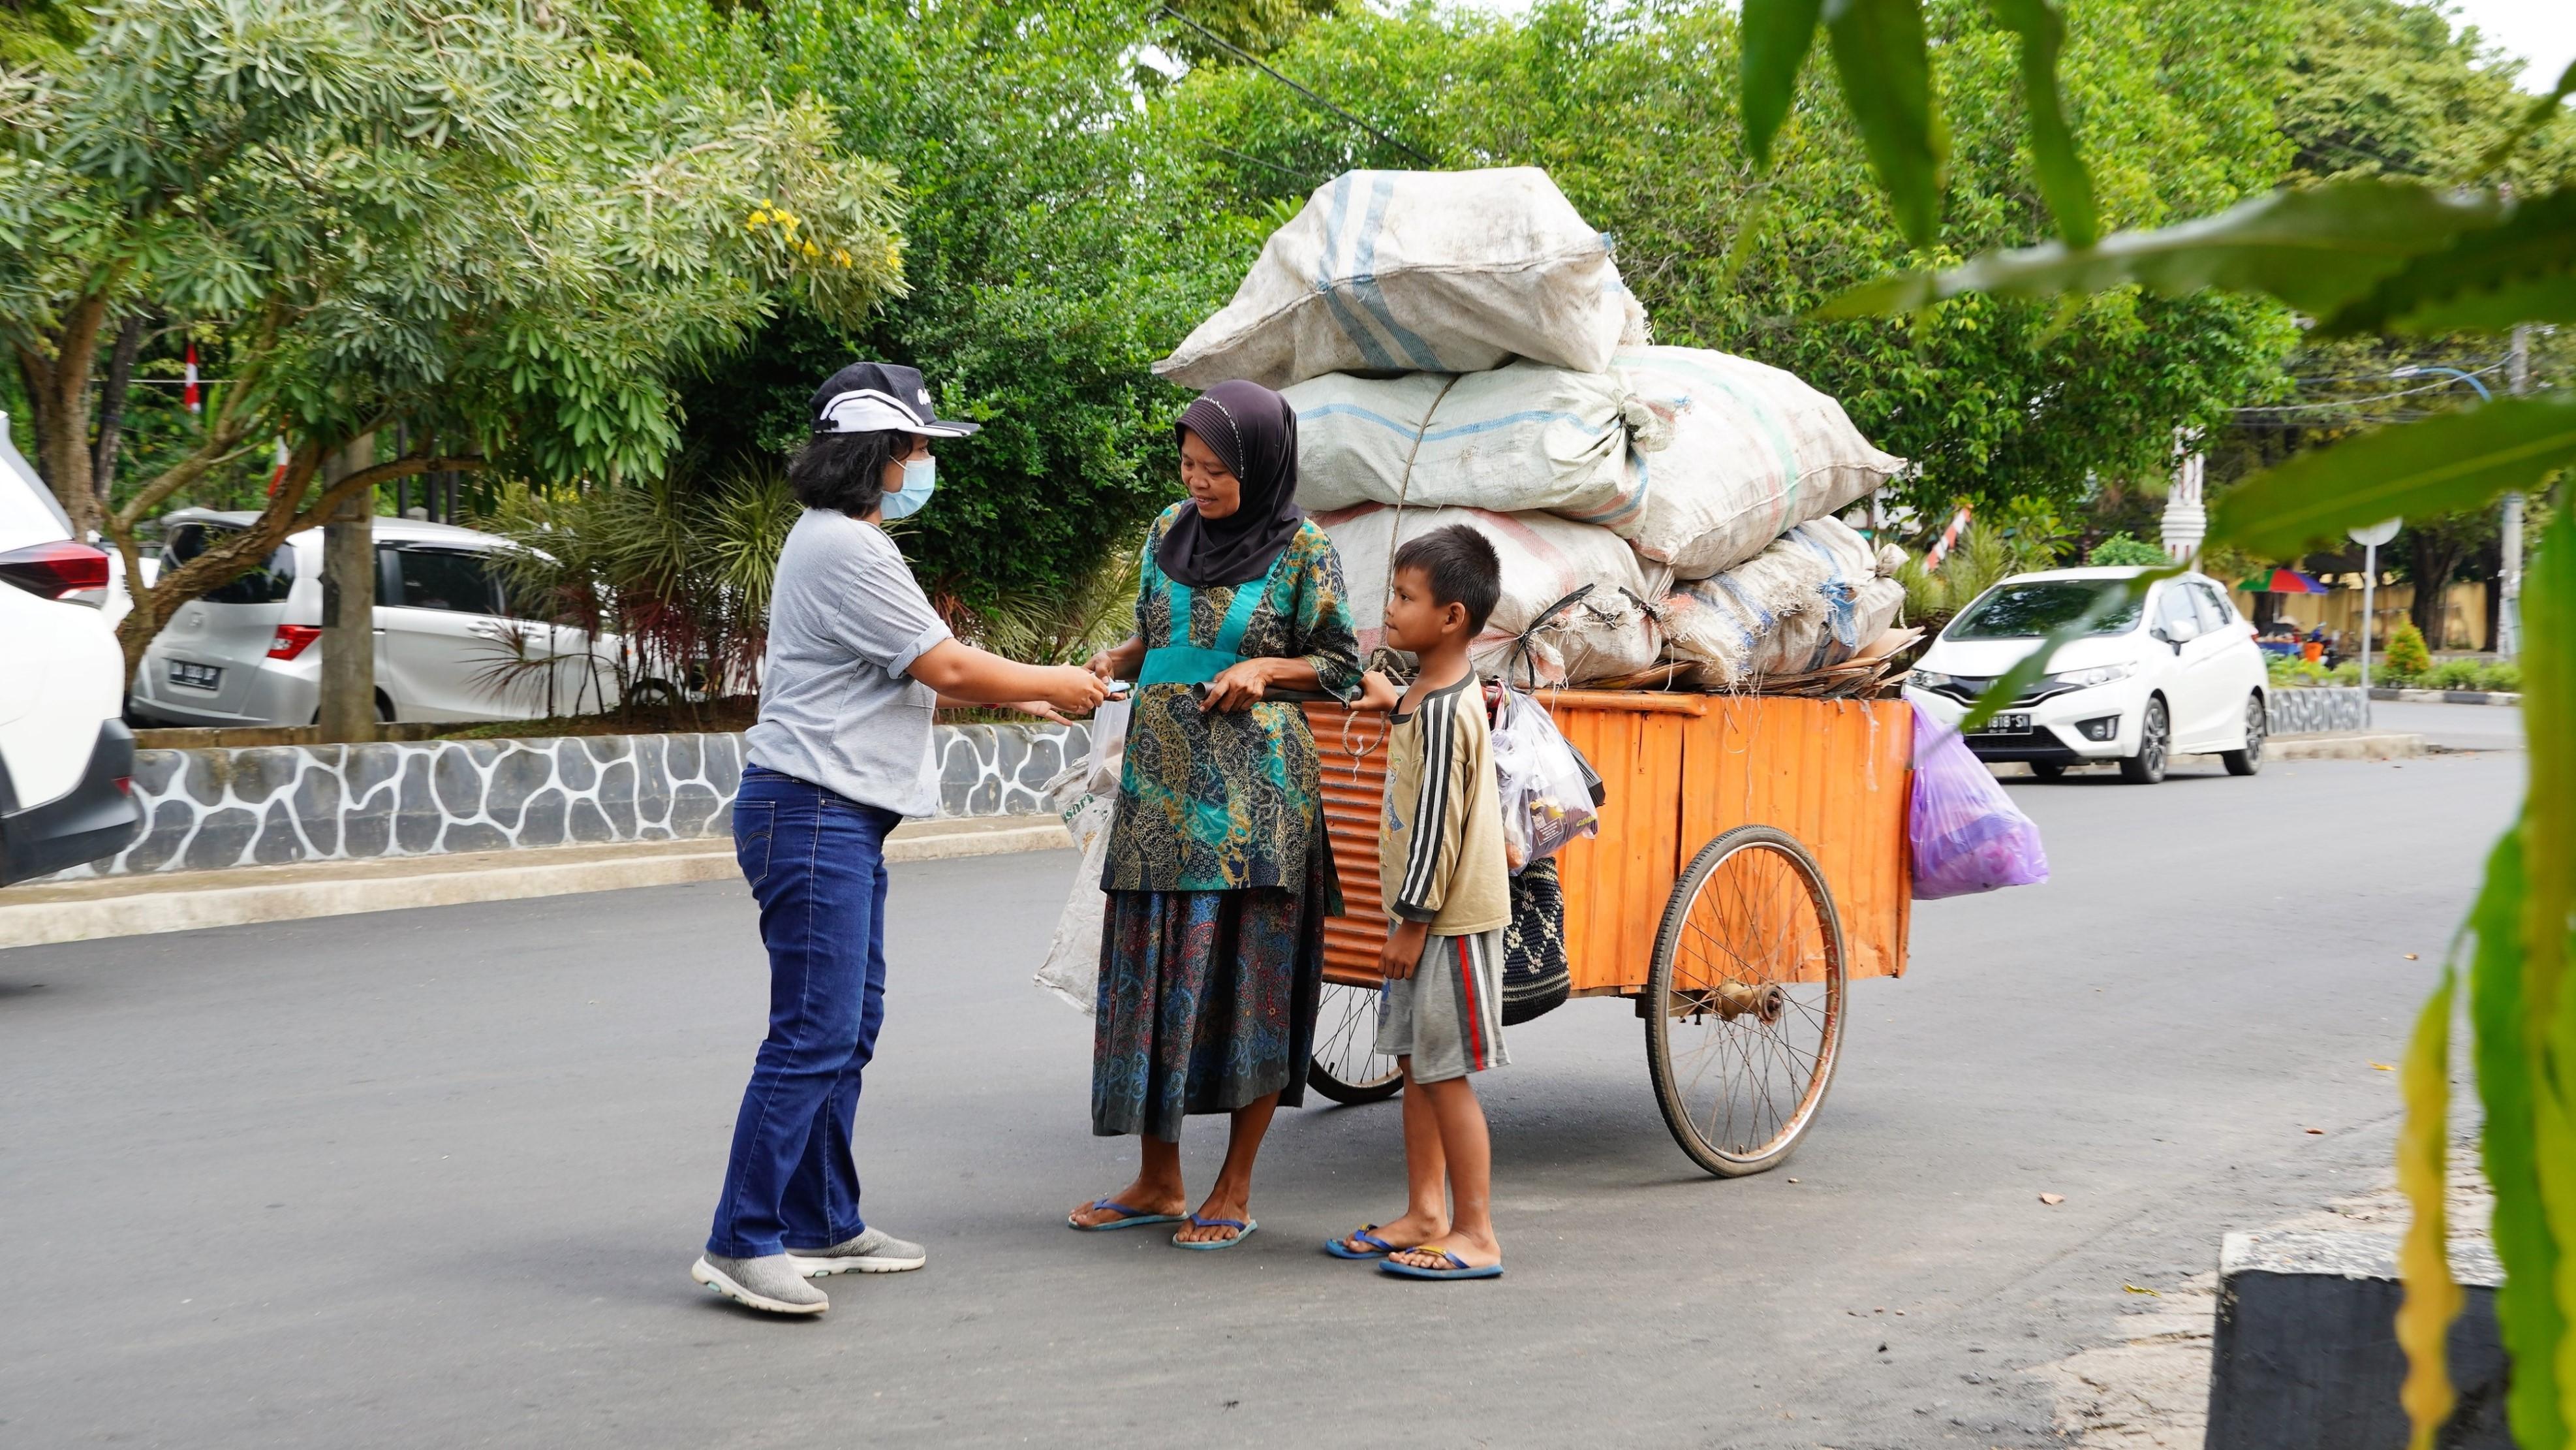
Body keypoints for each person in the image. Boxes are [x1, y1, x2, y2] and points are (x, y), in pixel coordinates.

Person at [694, 361, 1108, 1317]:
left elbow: (910, 672)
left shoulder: (847, 541)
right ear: (876, 454)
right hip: (810, 813)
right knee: (812, 1032)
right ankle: (741, 1237)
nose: (925, 462)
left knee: (848, 1025)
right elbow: (948, 662)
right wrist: (1054, 679)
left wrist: (1032, 694)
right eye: (917, 447)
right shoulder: (845, 548)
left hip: (832, 815)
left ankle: (821, 1218)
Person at [1068, 379, 1363, 1248]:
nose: (1196, 482)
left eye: (1214, 470)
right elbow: (1159, 627)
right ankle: (1158, 1179)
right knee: (1148, 980)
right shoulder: (1166, 529)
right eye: (1187, 464)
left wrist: (1267, 671)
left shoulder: (1303, 545)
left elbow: (1343, 667)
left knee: (1247, 989)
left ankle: (1232, 1184)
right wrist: (1125, 654)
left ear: (1259, 466)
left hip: (1253, 809)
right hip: (1158, 795)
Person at [1331, 524, 1512, 1281]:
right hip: (1427, 919)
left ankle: (1475, 1232)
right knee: (1415, 1067)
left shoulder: (1442, 712)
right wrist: (1387, 700)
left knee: (1444, 1074)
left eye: (1405, 598)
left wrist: (1408, 924)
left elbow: (1435, 824)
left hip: (1446, 924)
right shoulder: (1428, 695)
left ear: (1451, 619)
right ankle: (1425, 1212)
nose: (1391, 609)